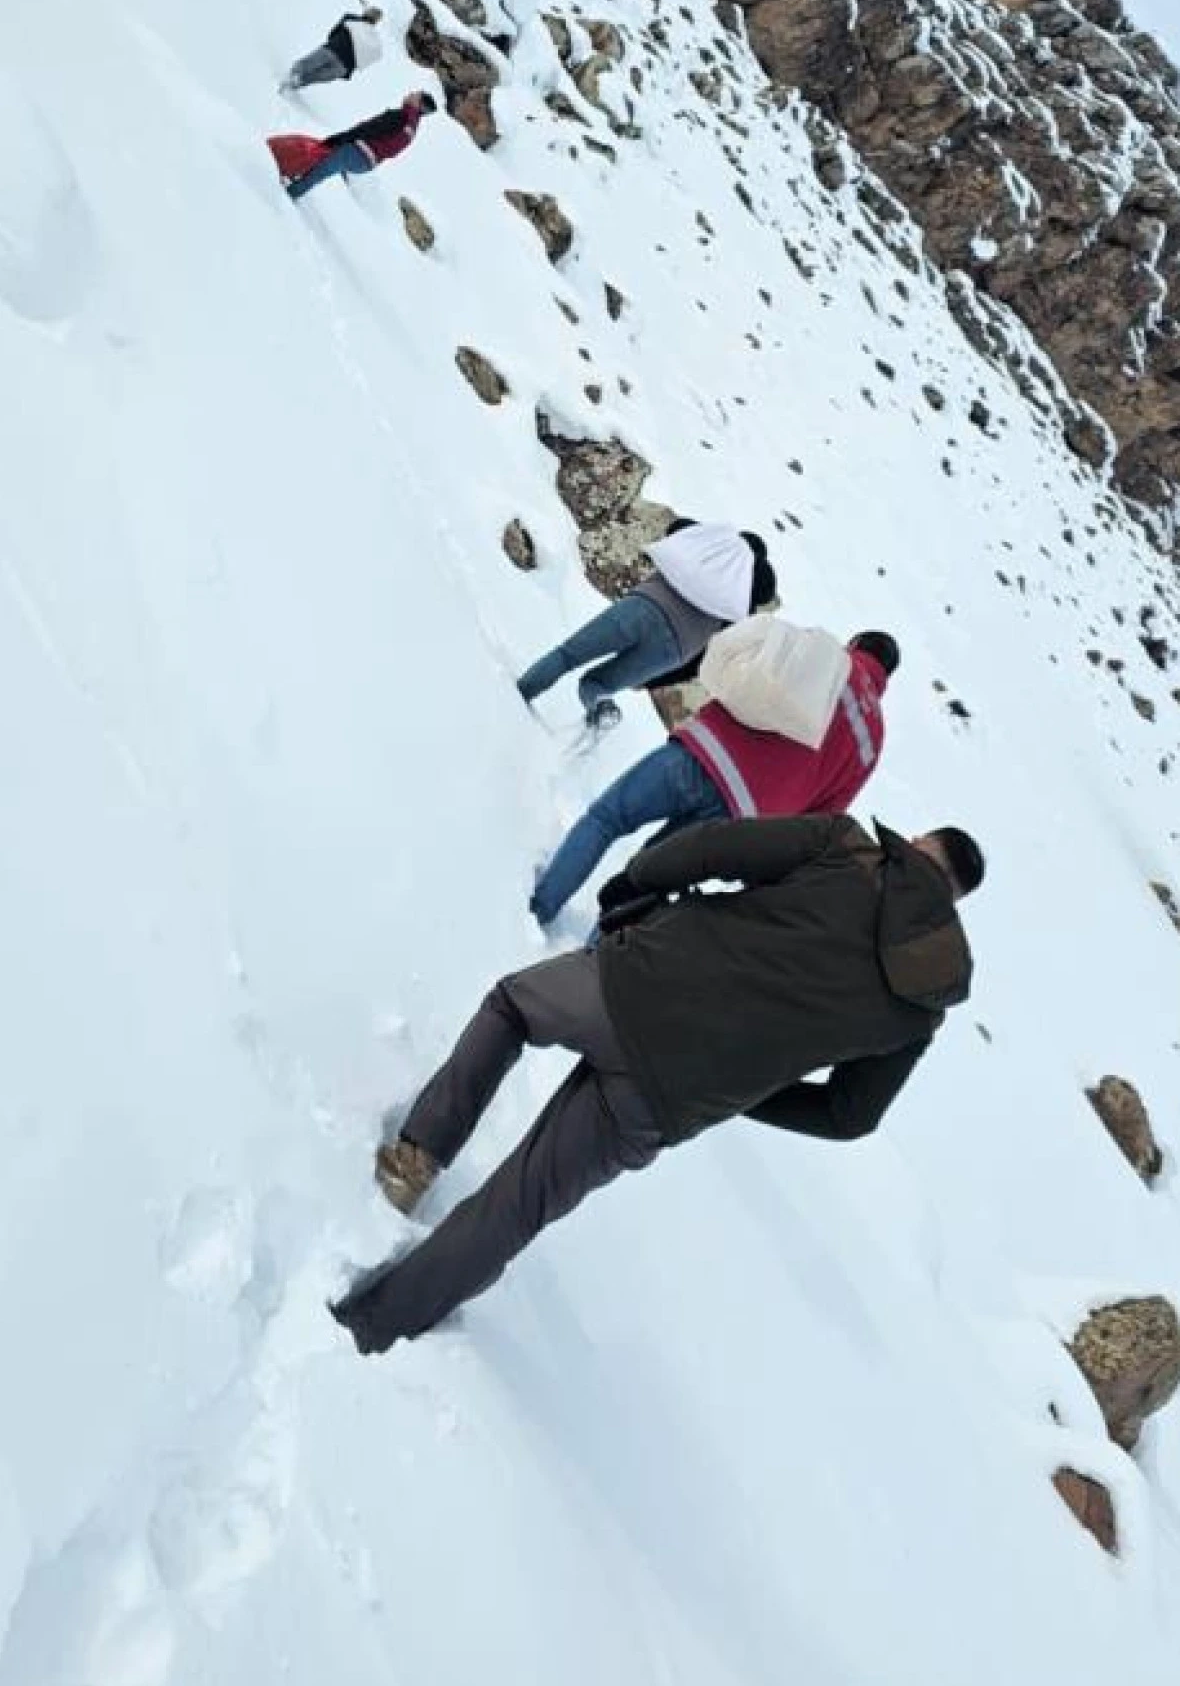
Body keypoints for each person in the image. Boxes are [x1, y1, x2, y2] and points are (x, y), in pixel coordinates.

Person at [329, 811, 984, 1359]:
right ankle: (376, 1326)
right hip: (669, 1098)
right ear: (953, 902)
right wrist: (746, 1092)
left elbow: (712, 848)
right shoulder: (920, 1009)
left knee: (512, 1008)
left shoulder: (846, 848)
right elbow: (849, 1115)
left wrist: (632, 885)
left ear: (921, 846)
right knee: (521, 1203)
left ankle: (414, 1159)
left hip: (636, 984)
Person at [529, 627, 899, 926]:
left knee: (608, 818)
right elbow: (823, 816)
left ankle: (541, 906)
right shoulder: (872, 743)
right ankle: (591, 965)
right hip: (742, 816)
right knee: (650, 879)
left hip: (705, 750)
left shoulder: (824, 657)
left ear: (856, 643)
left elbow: (751, 671)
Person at [517, 521, 777, 735]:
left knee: (568, 656)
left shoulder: (701, 551)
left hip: (643, 607)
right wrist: (656, 681)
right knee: (598, 685)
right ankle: (598, 717)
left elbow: (675, 528)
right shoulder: (737, 603)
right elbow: (700, 661)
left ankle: (517, 696)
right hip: (674, 649)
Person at [268, 91, 435, 201]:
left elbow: (369, 129)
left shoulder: (401, 117)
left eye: (415, 95)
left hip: (357, 151)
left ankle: (285, 195)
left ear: (419, 105)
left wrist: (342, 138)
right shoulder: (411, 128)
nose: (409, 94)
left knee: (319, 168)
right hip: (367, 162)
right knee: (319, 162)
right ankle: (289, 179)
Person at [280, 9, 384, 94]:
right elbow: (366, 60)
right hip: (343, 67)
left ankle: (285, 81)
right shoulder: (373, 40)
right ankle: (293, 86)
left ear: (367, 12)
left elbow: (333, 32)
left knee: (306, 64)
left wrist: (334, 42)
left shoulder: (351, 19)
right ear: (376, 22)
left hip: (333, 49)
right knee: (316, 76)